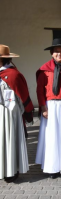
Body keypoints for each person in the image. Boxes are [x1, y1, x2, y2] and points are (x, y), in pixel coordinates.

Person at [35, 38, 61, 179]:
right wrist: (43, 107)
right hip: (51, 106)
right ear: (52, 53)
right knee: (52, 137)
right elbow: (40, 90)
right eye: (56, 51)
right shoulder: (44, 69)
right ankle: (52, 168)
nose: (59, 54)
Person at [0, 44, 34, 183]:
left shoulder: (14, 75)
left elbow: (24, 95)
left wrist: (27, 112)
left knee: (10, 141)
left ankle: (11, 171)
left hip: (9, 114)